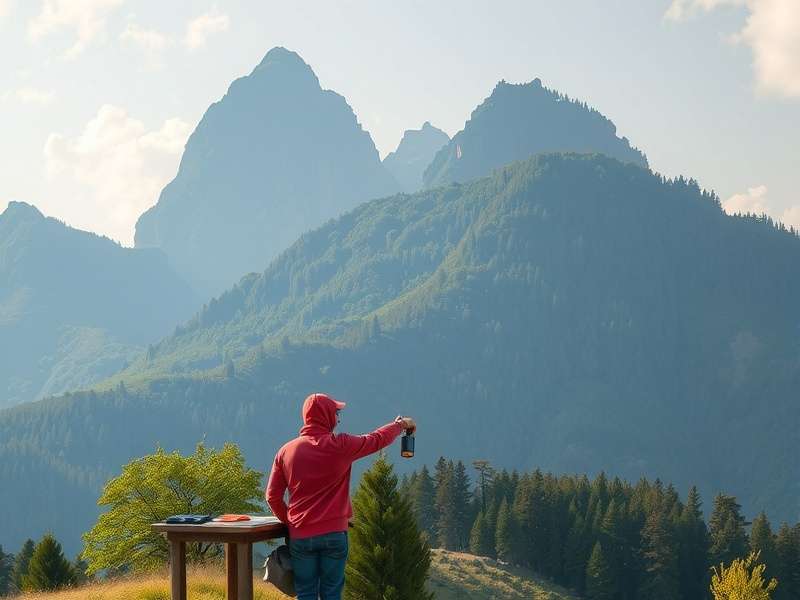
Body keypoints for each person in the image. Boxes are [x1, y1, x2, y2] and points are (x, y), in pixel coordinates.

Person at [266, 392, 416, 600]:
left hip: (301, 536)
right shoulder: (342, 445)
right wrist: (400, 425)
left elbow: (272, 497)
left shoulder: (285, 452)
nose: (337, 419)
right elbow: (377, 439)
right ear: (326, 416)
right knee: (331, 593)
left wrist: (291, 522)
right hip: (335, 534)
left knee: (305, 592)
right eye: (336, 413)